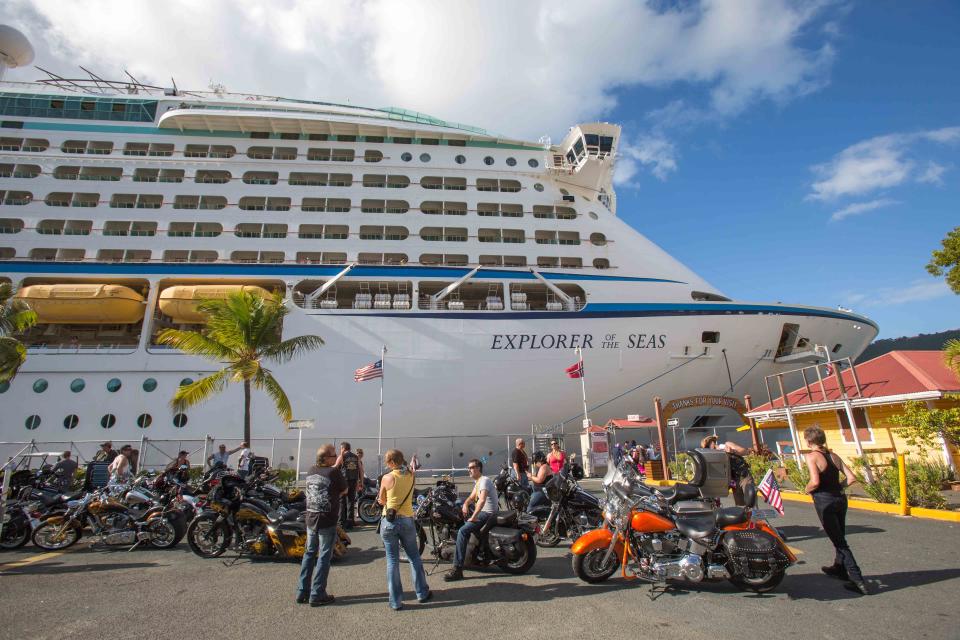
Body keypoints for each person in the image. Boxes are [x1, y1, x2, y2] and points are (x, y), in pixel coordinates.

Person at [803, 425, 869, 595]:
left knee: (839, 541)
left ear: (809, 441)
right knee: (840, 534)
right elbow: (852, 478)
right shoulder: (834, 456)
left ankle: (857, 579)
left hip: (824, 500)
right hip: (840, 498)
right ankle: (839, 568)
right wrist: (837, 487)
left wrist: (807, 489)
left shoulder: (812, 457)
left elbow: (815, 481)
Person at [377, 449, 431, 610]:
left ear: (392, 462)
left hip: (390, 521)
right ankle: (421, 592)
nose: (387, 465)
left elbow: (381, 500)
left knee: (392, 561)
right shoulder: (411, 475)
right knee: (414, 557)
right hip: (407, 520)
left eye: (387, 462)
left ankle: (395, 601)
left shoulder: (387, 477)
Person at [298, 444, 347, 606]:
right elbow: (344, 489)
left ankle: (302, 591)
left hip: (311, 518)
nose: (335, 458)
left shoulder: (311, 470)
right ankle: (317, 593)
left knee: (309, 553)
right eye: (333, 456)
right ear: (326, 457)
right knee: (324, 556)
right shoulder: (333, 472)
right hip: (327, 519)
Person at [444, 458, 498, 581]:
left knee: (463, 531)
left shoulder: (484, 481)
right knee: (462, 518)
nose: (469, 470)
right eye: (468, 468)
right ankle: (474, 550)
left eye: (471, 467)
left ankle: (457, 569)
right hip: (485, 512)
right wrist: (465, 504)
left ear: (478, 468)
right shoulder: (478, 482)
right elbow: (472, 497)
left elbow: (482, 500)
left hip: (487, 514)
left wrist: (473, 517)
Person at [702, 435, 755, 507]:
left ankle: (755, 516)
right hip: (734, 480)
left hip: (744, 476)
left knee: (750, 501)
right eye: (706, 448)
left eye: (708, 446)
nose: (708, 449)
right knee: (740, 506)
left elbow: (744, 451)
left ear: (712, 443)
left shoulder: (726, 445)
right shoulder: (713, 456)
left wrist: (733, 451)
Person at [335, 442, 361, 528]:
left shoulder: (342, 456)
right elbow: (360, 470)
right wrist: (360, 482)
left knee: (342, 501)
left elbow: (335, 467)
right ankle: (350, 522)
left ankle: (341, 523)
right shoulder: (356, 457)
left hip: (344, 481)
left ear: (343, 448)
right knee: (351, 501)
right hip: (353, 481)